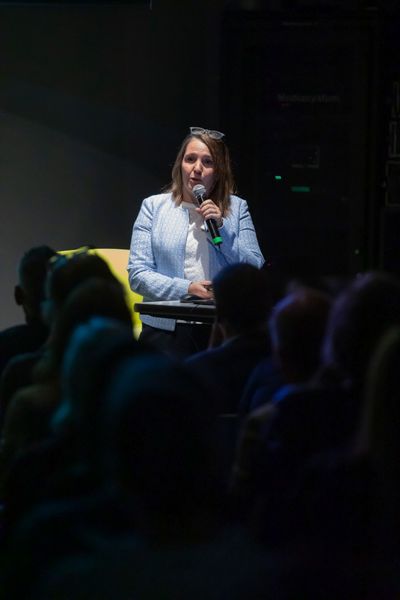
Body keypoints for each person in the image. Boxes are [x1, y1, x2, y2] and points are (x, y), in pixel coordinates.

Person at [127, 126, 264, 358]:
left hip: (219, 329)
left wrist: (222, 228)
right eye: (190, 159)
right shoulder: (153, 207)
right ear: (180, 164)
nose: (197, 168)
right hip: (164, 330)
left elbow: (254, 267)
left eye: (207, 162)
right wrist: (187, 289)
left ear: (219, 172)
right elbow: (138, 275)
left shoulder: (237, 208)